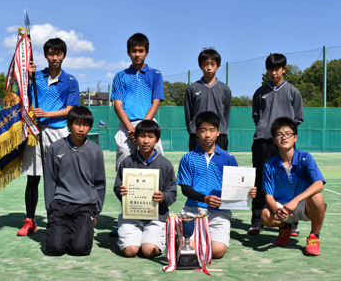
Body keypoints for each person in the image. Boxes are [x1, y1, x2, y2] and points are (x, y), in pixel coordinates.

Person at [18, 38, 80, 236]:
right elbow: (22, 93)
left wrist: (46, 113)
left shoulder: (71, 81)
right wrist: (28, 76)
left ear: (64, 55)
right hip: (35, 131)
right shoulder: (35, 76)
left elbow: (71, 110)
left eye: (58, 54)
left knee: (61, 178)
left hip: (59, 133)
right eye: (51, 54)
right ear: (45, 55)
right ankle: (30, 220)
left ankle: (60, 218)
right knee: (33, 178)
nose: (55, 58)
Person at [177, 111, 256, 259]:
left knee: (217, 251)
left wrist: (248, 192)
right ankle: (190, 237)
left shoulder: (228, 158)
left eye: (212, 130)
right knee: (188, 249)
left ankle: (202, 238)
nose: (208, 135)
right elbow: (185, 189)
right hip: (192, 211)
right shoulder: (188, 158)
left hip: (219, 213)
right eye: (203, 130)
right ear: (196, 132)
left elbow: (237, 186)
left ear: (218, 132)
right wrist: (205, 198)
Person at [249, 53, 304, 236]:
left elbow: (297, 119)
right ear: (267, 70)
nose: (274, 72)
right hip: (263, 142)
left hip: (285, 144)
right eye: (270, 69)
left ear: (284, 69)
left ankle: (291, 221)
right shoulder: (260, 92)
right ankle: (257, 220)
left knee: (289, 181)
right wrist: (266, 131)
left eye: (277, 69)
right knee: (259, 181)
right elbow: (257, 117)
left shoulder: (293, 92)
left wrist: (284, 136)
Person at [44, 106, 106, 256]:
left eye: (85, 125)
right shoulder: (55, 148)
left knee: (79, 249)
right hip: (60, 204)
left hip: (86, 206)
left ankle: (84, 229)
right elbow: (50, 180)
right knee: (55, 249)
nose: (81, 129)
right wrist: (50, 208)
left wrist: (96, 212)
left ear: (90, 127)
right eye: (78, 124)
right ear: (69, 124)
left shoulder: (95, 150)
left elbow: (100, 184)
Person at [260, 117, 326, 256]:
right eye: (279, 134)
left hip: (302, 205)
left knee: (318, 198)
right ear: (274, 140)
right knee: (265, 216)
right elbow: (269, 196)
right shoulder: (269, 165)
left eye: (288, 134)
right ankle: (285, 227)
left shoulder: (306, 158)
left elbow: (319, 184)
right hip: (282, 206)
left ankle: (314, 236)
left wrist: (296, 200)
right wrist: (276, 210)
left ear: (295, 137)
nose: (284, 137)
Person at [114, 120, 177, 258]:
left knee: (149, 251)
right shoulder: (127, 162)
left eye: (150, 136)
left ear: (157, 140)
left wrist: (164, 197)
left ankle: (156, 237)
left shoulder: (165, 165)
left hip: (156, 217)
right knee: (131, 251)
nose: (146, 141)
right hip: (131, 216)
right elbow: (117, 187)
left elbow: (172, 193)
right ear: (135, 138)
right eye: (142, 136)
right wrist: (121, 191)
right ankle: (130, 236)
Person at [111, 33, 164, 172]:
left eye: (141, 51)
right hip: (126, 125)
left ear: (147, 52)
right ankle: (123, 192)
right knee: (124, 156)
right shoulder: (120, 76)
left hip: (149, 123)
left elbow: (156, 103)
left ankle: (158, 191)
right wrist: (131, 129)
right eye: (134, 51)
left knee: (156, 157)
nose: (137, 54)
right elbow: (117, 106)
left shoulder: (156, 74)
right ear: (128, 52)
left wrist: (142, 127)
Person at [184, 48, 231, 151]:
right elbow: (188, 115)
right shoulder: (192, 89)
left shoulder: (225, 89)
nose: (209, 67)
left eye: (213, 64)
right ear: (200, 66)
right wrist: (194, 130)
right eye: (205, 64)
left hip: (220, 135)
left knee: (219, 166)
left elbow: (226, 115)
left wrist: (221, 128)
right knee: (196, 166)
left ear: (218, 66)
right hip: (197, 135)